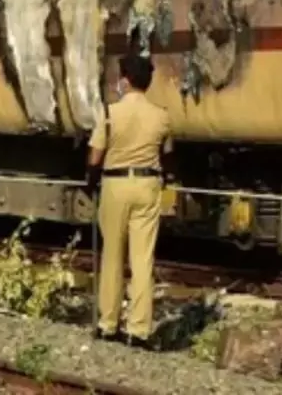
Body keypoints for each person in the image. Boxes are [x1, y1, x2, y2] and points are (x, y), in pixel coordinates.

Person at [87, 54, 173, 350]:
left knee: (112, 255)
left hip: (115, 184)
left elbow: (95, 156)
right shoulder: (161, 115)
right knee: (142, 259)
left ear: (125, 80)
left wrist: (90, 179)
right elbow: (168, 154)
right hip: (148, 185)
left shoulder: (109, 113)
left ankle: (108, 324)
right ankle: (139, 330)